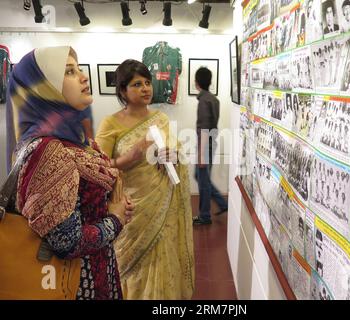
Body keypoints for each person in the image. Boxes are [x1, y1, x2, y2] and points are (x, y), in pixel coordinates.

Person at [5, 46, 134, 299]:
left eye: (78, 68)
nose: (84, 76)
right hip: (75, 282)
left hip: (95, 270)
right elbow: (67, 242)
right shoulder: (49, 151)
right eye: (69, 72)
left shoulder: (76, 140)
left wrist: (111, 202)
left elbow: (85, 197)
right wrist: (115, 219)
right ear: (43, 89)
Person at [95, 59, 194, 299]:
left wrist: (174, 155)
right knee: (132, 266)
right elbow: (97, 168)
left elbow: (175, 152)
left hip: (163, 205)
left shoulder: (159, 118)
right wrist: (130, 157)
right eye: (137, 84)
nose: (145, 88)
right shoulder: (111, 123)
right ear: (122, 91)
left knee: (163, 255)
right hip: (132, 209)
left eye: (147, 83)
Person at [192, 67, 228, 225]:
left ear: (197, 82)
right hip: (211, 143)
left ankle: (205, 216)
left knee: (202, 179)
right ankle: (222, 203)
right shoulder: (214, 99)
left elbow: (204, 129)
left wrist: (201, 153)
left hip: (205, 145)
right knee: (200, 177)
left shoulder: (204, 102)